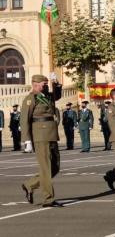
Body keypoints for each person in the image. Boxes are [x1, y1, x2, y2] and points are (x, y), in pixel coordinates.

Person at [21, 74, 62, 207]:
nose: (46, 86)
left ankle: (29, 185)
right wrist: (27, 140)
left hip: (51, 134)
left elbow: (57, 95)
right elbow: (24, 120)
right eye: (44, 84)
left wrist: (56, 82)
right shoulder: (30, 99)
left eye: (46, 84)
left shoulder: (46, 96)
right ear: (35, 84)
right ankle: (48, 198)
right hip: (40, 135)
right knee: (46, 168)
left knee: (55, 167)